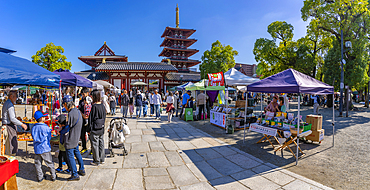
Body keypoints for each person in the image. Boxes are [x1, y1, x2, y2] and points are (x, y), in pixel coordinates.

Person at [62, 95, 85, 181]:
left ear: (66, 104)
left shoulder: (70, 113)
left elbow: (68, 127)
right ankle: (82, 169)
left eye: (64, 105)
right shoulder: (78, 111)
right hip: (76, 136)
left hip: (71, 138)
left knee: (70, 156)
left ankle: (75, 174)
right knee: (77, 152)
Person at [31, 111, 56, 182]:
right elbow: (49, 137)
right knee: (49, 163)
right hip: (45, 148)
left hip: (37, 148)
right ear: (41, 118)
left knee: (38, 164)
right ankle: (53, 176)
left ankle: (40, 177)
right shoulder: (46, 127)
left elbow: (33, 136)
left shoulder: (34, 127)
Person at [1, 91, 27, 155]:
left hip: (6, 125)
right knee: (10, 147)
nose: (16, 98)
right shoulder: (9, 104)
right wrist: (22, 124)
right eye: (15, 96)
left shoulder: (6, 102)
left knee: (8, 146)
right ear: (11, 96)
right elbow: (12, 118)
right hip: (9, 126)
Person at [87, 90, 106, 166]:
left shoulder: (94, 107)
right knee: (101, 143)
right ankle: (102, 159)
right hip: (101, 128)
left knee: (95, 144)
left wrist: (88, 129)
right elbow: (104, 117)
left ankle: (96, 160)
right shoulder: (102, 106)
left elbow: (90, 119)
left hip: (94, 128)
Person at [78, 88, 89, 154]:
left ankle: (93, 149)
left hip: (88, 120)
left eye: (84, 94)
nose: (83, 96)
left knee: (91, 135)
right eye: (82, 94)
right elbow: (79, 109)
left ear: (87, 93)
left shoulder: (90, 100)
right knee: (82, 134)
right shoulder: (81, 101)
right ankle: (84, 147)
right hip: (82, 120)